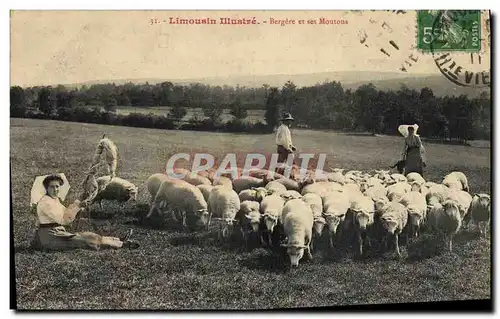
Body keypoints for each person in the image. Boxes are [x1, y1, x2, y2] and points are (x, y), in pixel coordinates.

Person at [31, 174, 139, 251]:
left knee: (88, 235)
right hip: (49, 237)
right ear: (46, 188)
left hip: (56, 233)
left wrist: (80, 202)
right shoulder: (45, 203)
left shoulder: (54, 200)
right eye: (51, 187)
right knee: (85, 241)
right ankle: (121, 245)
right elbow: (65, 220)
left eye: (57, 186)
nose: (55, 189)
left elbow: (66, 212)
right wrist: (78, 205)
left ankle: (116, 240)